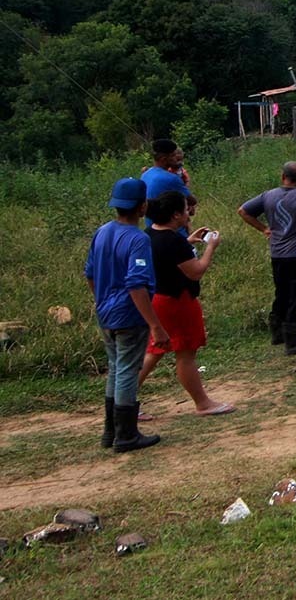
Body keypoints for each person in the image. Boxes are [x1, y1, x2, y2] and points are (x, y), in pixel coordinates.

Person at [85, 178, 169, 452]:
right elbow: (136, 284)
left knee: (115, 369)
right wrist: (155, 325)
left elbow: (90, 274)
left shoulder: (102, 231)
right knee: (127, 372)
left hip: (106, 312)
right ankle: (126, 435)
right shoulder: (137, 239)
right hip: (129, 315)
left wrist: (101, 301)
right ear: (142, 206)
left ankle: (110, 432)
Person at [135, 191, 234, 417]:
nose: (189, 212)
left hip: (157, 300)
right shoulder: (173, 240)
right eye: (185, 208)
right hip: (177, 302)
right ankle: (203, 403)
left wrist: (188, 241)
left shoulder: (150, 234)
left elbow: (165, 255)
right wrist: (211, 247)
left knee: (154, 351)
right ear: (176, 215)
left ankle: (125, 402)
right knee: (186, 353)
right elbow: (196, 272)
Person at [238, 162, 296, 355]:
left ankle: (277, 332)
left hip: (277, 252)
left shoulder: (268, 195)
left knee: (281, 292)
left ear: (282, 176)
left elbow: (243, 211)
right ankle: (292, 341)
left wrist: (263, 228)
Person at [141, 139, 190, 227]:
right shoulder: (171, 178)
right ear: (164, 159)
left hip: (152, 228)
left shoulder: (145, 174)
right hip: (171, 230)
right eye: (173, 155)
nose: (176, 158)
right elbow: (192, 200)